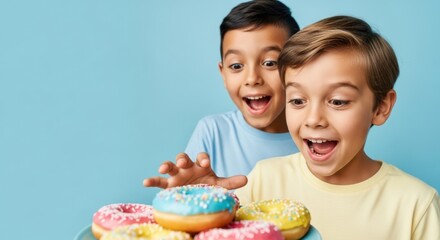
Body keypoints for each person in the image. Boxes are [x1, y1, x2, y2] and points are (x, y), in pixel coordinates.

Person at [144, 16, 440, 239]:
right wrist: (197, 216)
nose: (313, 119)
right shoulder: (263, 180)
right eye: (297, 100)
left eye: (337, 101)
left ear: (381, 107)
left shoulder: (416, 205)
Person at [171, 0, 300, 178]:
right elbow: (184, 194)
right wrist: (186, 195)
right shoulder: (212, 132)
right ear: (223, 73)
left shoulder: (316, 136)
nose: (252, 78)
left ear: (297, 68)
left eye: (269, 63)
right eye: (237, 66)